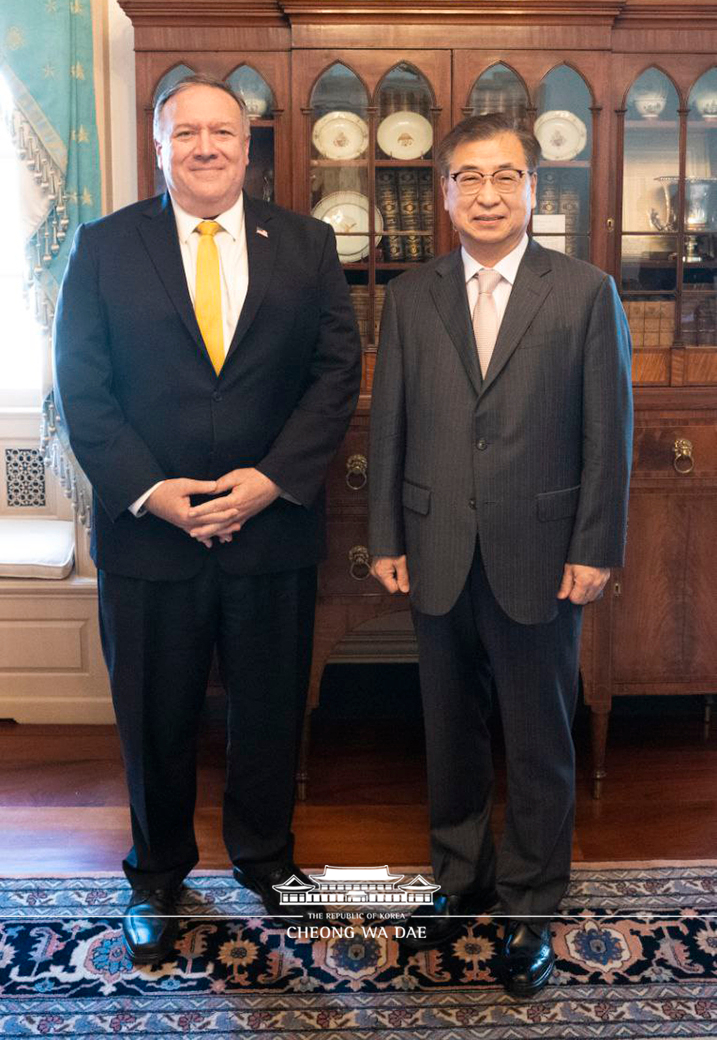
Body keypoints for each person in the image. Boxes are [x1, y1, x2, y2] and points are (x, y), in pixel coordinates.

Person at [53, 73, 362, 964]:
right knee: (154, 715)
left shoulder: (305, 245)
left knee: (269, 709)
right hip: (149, 535)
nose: (204, 145)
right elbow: (85, 389)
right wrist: (155, 493)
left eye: (220, 131)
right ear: (159, 145)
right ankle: (156, 878)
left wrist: (270, 480)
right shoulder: (105, 247)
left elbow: (333, 374)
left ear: (247, 143)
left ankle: (266, 864)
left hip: (272, 529)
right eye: (184, 131)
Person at [368, 113, 632, 996]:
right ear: (443, 193)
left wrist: (594, 546)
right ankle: (459, 876)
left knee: (538, 739)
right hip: (435, 545)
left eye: (505, 177)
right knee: (448, 732)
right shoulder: (409, 296)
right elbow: (391, 425)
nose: (487, 195)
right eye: (468, 179)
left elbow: (609, 434)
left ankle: (529, 906)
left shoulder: (585, 292)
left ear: (532, 189)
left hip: (544, 554)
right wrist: (385, 538)